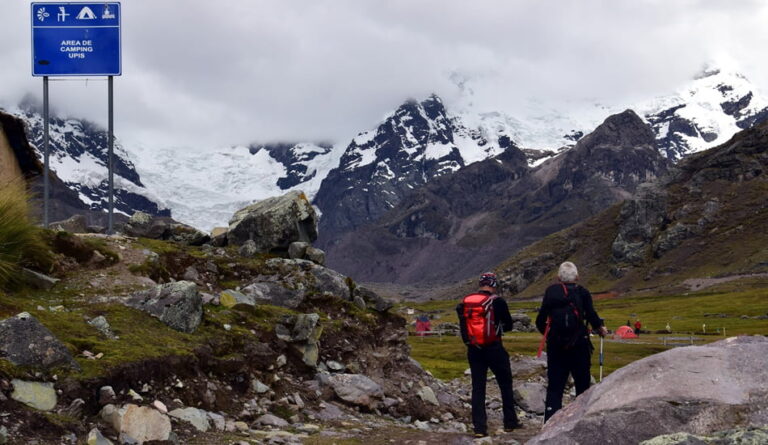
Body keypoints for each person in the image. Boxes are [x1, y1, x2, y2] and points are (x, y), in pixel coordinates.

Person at [536, 262, 608, 423]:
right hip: (579, 345)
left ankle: (550, 422)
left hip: (556, 347)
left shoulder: (550, 292)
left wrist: (550, 336)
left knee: (555, 387)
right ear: (577, 277)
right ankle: (581, 421)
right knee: (582, 384)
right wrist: (600, 328)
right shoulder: (583, 293)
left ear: (558, 278)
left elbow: (540, 320)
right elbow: (591, 315)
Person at [456, 272, 521, 437]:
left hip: (474, 349)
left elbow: (463, 327)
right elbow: (508, 326)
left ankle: (479, 428)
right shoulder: (497, 301)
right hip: (494, 348)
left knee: (478, 387)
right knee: (505, 383)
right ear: (493, 285)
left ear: (480, 284)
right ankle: (510, 423)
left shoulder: (465, 303)